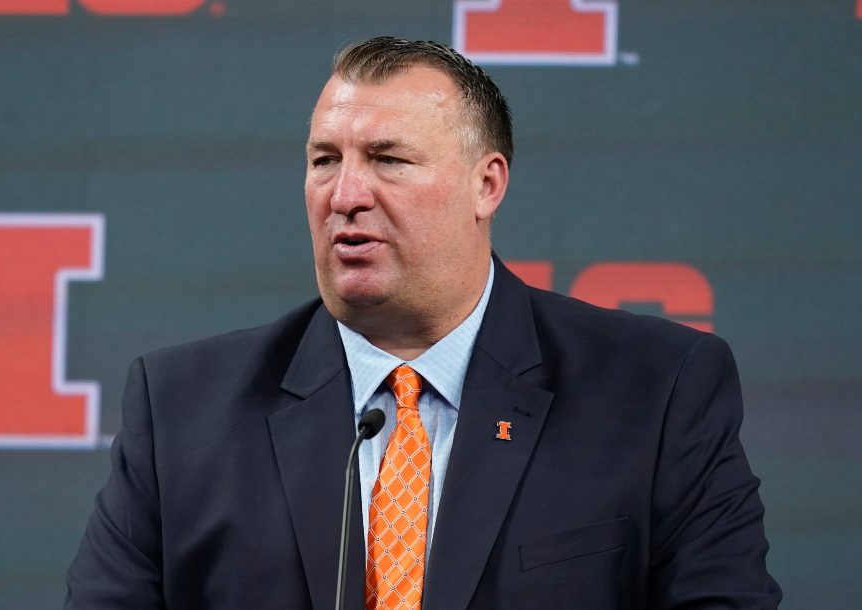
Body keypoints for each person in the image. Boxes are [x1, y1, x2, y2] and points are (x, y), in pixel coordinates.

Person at [64, 36, 781, 609]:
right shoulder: (183, 407)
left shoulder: (655, 393)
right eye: (324, 160)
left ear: (486, 184)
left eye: (387, 159)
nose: (345, 194)